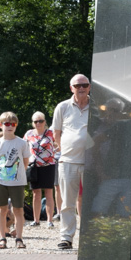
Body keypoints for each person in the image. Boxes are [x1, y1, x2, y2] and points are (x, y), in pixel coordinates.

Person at [53, 74, 91, 249]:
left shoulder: (97, 106)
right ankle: (66, 238)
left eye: (84, 84)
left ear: (90, 87)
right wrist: (66, 150)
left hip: (92, 161)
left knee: (92, 202)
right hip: (68, 161)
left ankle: (91, 236)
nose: (81, 88)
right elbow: (56, 133)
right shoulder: (62, 107)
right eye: (78, 85)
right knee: (68, 202)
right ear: (71, 88)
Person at [0, 112, 31, 250]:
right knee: (1, 210)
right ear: (1, 125)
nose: (10, 126)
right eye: (7, 124)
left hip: (17, 182)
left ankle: (19, 238)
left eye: (13, 124)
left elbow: (25, 163)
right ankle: (2, 238)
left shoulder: (22, 143)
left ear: (16, 126)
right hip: (0, 181)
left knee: (18, 210)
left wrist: (17, 175)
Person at [24, 111, 57, 228]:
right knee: (35, 193)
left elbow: (58, 145)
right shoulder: (28, 134)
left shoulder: (51, 133)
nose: (38, 123)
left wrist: (54, 154)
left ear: (45, 122)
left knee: (49, 193)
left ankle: (49, 220)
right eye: (36, 121)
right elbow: (24, 148)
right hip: (34, 166)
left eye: (41, 121)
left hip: (49, 166)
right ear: (33, 123)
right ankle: (36, 220)